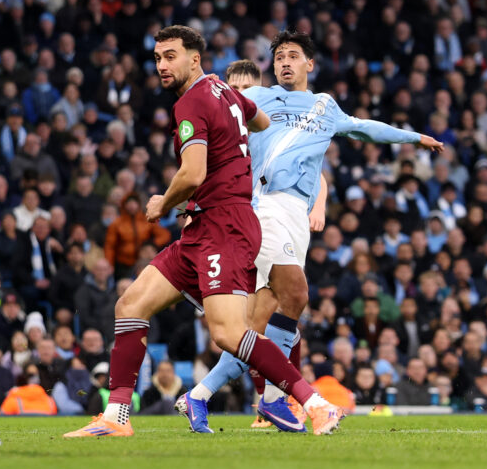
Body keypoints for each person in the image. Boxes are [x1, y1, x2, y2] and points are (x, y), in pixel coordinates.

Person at [64, 25, 343, 439]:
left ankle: (316, 405)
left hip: (224, 226)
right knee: (130, 304)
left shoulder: (192, 101)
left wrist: (163, 202)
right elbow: (262, 120)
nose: (162, 65)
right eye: (158, 57)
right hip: (202, 226)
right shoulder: (223, 90)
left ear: (194, 59)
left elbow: (192, 173)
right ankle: (116, 416)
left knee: (230, 332)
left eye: (171, 56)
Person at [184, 32, 442, 433]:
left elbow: (366, 128)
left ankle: (206, 396)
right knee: (288, 300)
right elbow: (213, 118)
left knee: (267, 318)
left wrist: (414, 138)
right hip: (262, 207)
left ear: (310, 65)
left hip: (294, 216)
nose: (285, 62)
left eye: (293, 56)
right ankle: (270, 401)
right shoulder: (258, 100)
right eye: (279, 57)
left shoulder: (326, 107)